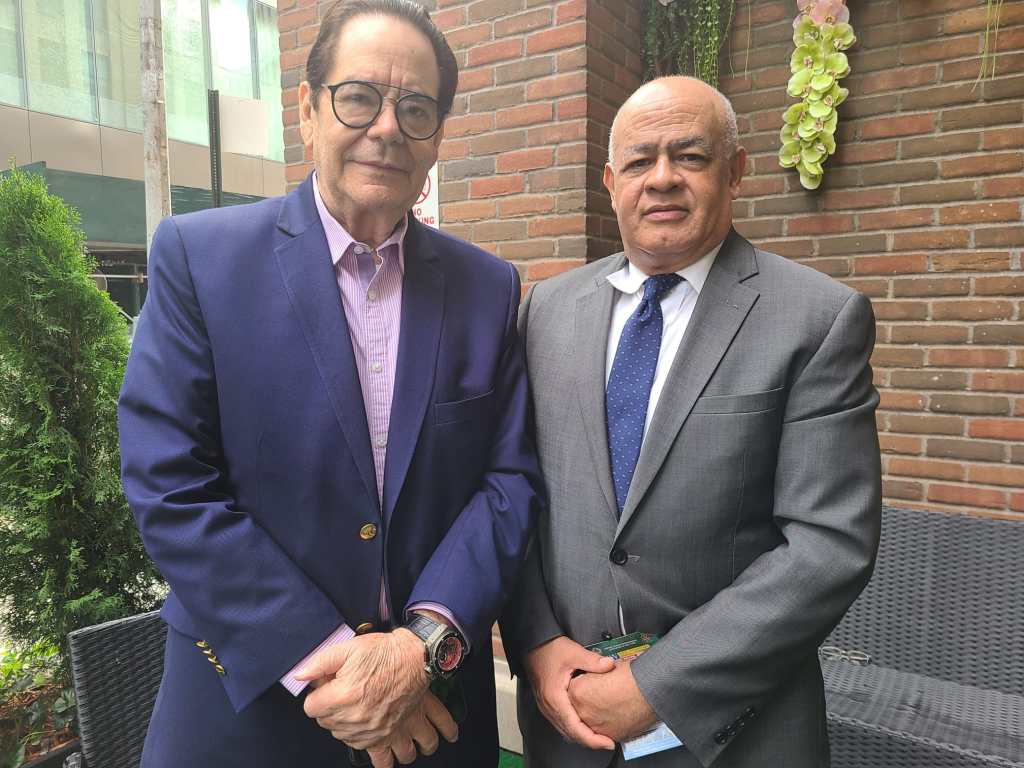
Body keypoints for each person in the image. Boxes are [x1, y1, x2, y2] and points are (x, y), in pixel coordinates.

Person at [118, 2, 541, 766]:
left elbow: (508, 482)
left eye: (416, 109)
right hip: (244, 712)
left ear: (437, 137)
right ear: (307, 111)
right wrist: (327, 659)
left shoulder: (488, 288)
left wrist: (419, 649)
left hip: (432, 715)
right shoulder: (199, 260)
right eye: (358, 98)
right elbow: (169, 481)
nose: (387, 128)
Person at [501, 75, 882, 768]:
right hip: (569, 720)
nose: (662, 179)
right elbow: (514, 491)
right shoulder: (545, 312)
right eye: (639, 161)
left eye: (691, 156)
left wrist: (657, 686)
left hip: (735, 734)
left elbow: (827, 544)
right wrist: (536, 642)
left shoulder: (817, 319)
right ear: (611, 182)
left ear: (735, 172)